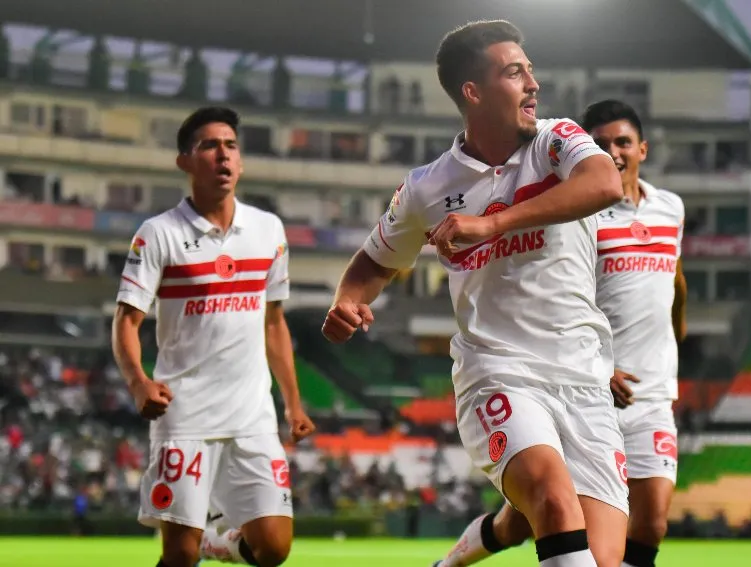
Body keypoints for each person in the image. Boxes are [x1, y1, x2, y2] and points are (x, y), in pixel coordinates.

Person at [322, 20, 627, 567]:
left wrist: (494, 223)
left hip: (584, 377)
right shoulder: (426, 187)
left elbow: (605, 184)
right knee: (554, 502)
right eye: (514, 72)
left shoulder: (557, 140)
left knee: (600, 558)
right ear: (473, 91)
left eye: (530, 70)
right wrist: (348, 298)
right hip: (499, 372)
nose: (533, 83)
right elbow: (373, 261)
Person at [433, 100, 688, 567]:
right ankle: (450, 562)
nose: (613, 151)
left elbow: (675, 277)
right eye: (601, 143)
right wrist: (601, 365)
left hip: (652, 392)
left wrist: (678, 332)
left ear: (643, 149)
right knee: (524, 521)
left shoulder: (670, 208)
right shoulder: (576, 214)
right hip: (587, 383)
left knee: (651, 522)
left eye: (623, 142)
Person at [112, 106, 315, 567]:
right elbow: (125, 320)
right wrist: (138, 382)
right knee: (180, 556)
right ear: (185, 161)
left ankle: (218, 542)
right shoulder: (158, 234)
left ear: (240, 162)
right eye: (209, 146)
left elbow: (273, 322)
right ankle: (199, 543)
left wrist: (293, 403)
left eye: (231, 145)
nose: (223, 154)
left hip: (252, 416)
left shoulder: (268, 230)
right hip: (185, 416)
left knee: (274, 548)